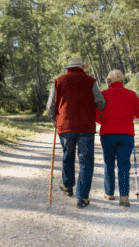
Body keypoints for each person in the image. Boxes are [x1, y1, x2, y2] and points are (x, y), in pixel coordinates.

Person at [46, 57, 106, 208]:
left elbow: (50, 105)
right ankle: (82, 197)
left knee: (68, 155)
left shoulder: (58, 81)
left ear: (68, 68)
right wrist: (99, 111)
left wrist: (54, 119)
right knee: (86, 161)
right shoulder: (90, 81)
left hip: (65, 126)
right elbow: (100, 102)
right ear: (82, 67)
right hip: (86, 127)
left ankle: (67, 185)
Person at [96, 70, 139, 207]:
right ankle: (124, 197)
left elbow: (95, 114)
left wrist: (105, 122)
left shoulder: (103, 95)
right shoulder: (131, 94)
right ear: (122, 81)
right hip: (126, 134)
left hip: (107, 134)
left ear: (109, 81)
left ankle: (109, 193)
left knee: (109, 163)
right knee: (124, 165)